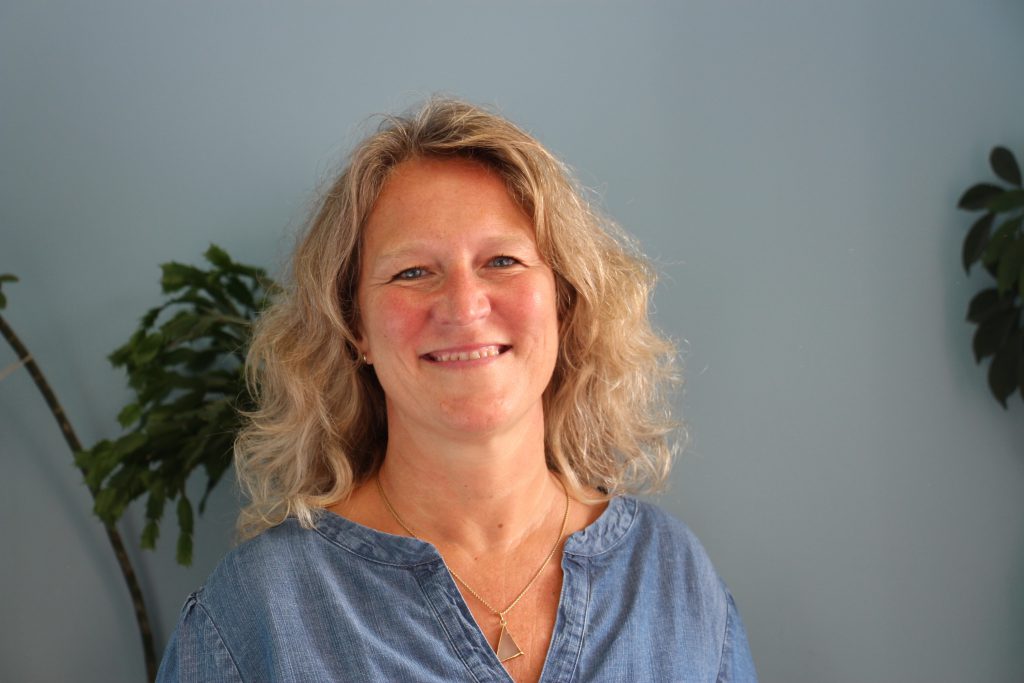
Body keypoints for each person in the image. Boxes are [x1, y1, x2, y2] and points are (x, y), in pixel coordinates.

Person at [157, 98, 757, 682]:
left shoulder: (674, 578)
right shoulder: (256, 615)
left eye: (502, 261)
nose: (465, 306)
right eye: (412, 272)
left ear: (565, 300)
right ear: (354, 326)